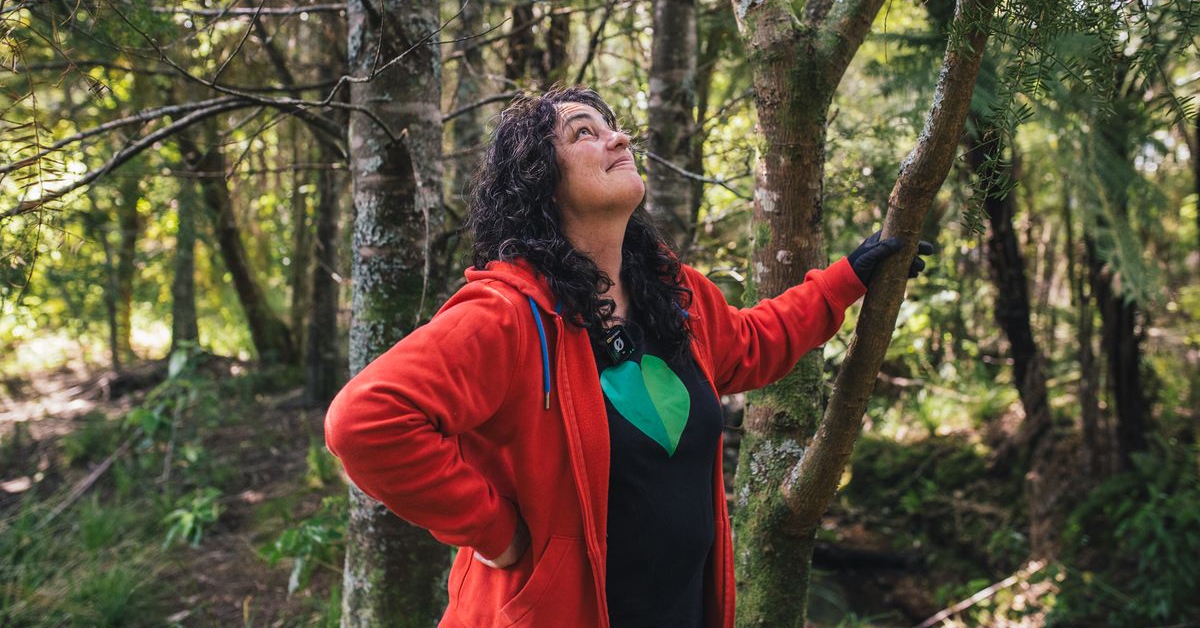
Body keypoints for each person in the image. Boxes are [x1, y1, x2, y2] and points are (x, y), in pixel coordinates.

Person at [324, 84, 931, 628]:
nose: (616, 136)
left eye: (611, 125)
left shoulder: (671, 293)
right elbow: (365, 421)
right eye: (583, 132)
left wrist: (846, 280)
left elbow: (749, 345)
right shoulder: (507, 315)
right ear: (540, 179)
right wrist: (495, 532)